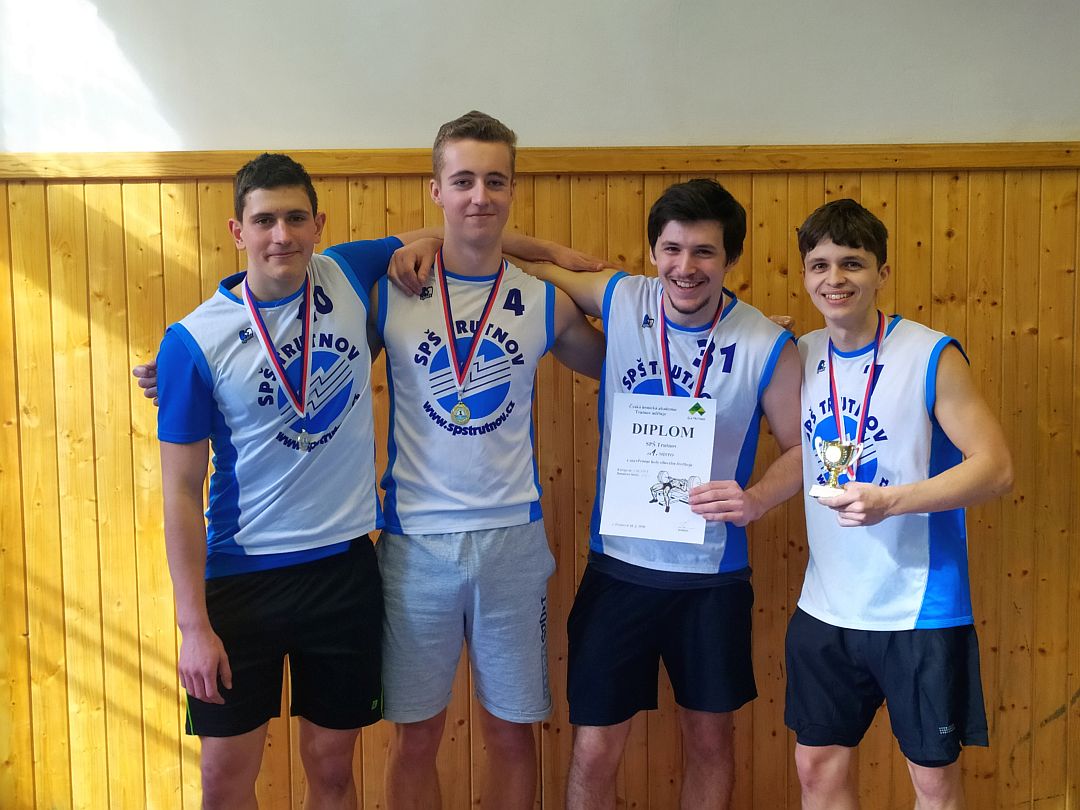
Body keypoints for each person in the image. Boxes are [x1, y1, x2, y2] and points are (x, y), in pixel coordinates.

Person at [155, 152, 433, 810]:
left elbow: (460, 235)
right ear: (238, 231)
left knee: (332, 772)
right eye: (264, 221)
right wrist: (193, 626)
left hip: (342, 572)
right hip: (240, 580)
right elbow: (179, 495)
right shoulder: (193, 341)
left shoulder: (347, 273)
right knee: (224, 779)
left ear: (318, 224)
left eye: (295, 218)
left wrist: (556, 255)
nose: (281, 234)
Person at [516, 179, 804, 810]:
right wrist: (550, 252)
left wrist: (756, 499)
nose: (685, 267)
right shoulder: (621, 298)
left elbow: (804, 448)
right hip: (618, 570)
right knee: (595, 748)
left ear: (730, 258)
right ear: (653, 252)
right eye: (672, 249)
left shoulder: (765, 342)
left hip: (711, 580)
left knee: (709, 744)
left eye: (704, 252)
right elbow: (511, 260)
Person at [370, 110, 605, 810]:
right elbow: (299, 335)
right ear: (436, 190)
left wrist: (722, 339)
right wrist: (187, 370)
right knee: (416, 737)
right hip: (415, 544)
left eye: (495, 181)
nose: (480, 195)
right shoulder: (391, 292)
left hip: (512, 541)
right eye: (464, 180)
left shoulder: (542, 301)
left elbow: (626, 365)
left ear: (511, 190)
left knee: (511, 733)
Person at [786, 199, 1013, 810]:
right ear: (805, 275)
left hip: (918, 609)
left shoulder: (931, 354)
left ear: (882, 272)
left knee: (933, 783)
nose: (835, 279)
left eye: (852, 263)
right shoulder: (799, 354)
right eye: (820, 265)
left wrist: (892, 502)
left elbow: (995, 468)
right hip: (825, 606)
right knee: (816, 770)